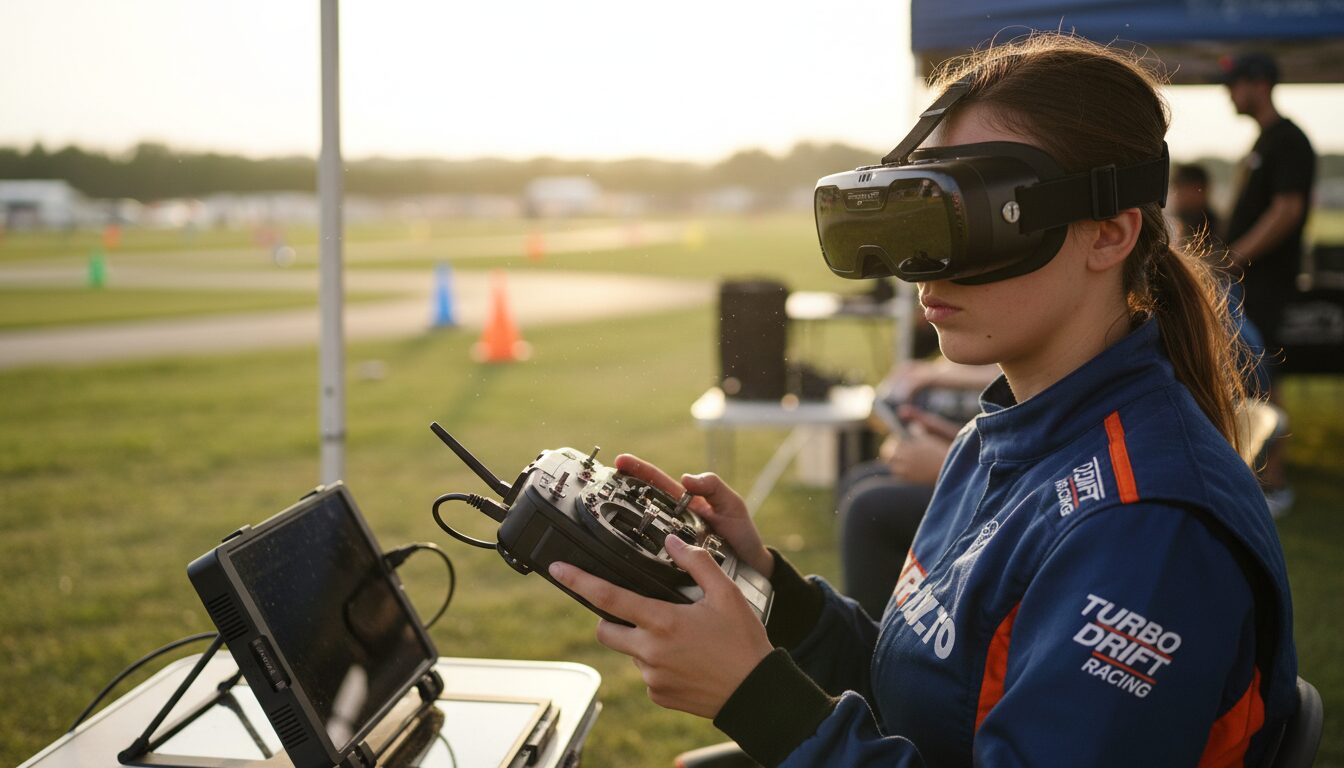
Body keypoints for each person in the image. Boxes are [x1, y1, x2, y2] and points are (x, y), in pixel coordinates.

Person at [548, 35, 1298, 767]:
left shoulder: (1148, 530)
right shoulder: (1003, 431)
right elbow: (927, 688)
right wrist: (770, 589)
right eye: (916, 216)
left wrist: (756, 698)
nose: (922, 270)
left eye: (968, 217)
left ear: (1108, 234)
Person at [1221, 52, 1315, 514]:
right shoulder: (1265, 140)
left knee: (1262, 379)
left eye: (1234, 83)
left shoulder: (1287, 139)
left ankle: (1274, 483)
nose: (1228, 93)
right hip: (1249, 283)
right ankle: (1259, 475)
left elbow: (1286, 211)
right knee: (1250, 377)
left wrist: (1237, 256)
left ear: (1258, 83)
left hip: (1266, 283)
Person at [837, 358, 996, 618]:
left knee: (870, 508)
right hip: (988, 469)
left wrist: (950, 465)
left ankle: (873, 642)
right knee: (859, 480)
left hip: (1009, 501)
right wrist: (958, 439)